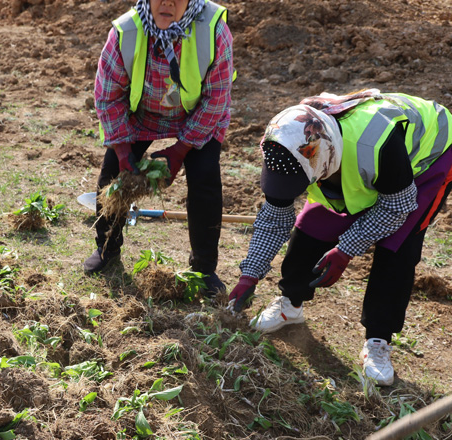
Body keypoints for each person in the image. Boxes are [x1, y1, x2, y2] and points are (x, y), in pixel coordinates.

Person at [228, 90, 452, 386]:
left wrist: (346, 249)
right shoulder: (290, 144)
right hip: (358, 163)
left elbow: (398, 206)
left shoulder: (374, 145)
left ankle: (378, 340)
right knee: (311, 226)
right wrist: (249, 275)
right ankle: (290, 304)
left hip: (426, 160)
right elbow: (274, 219)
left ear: (324, 162)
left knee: (397, 247)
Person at [84, 0, 234, 297]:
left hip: (198, 115)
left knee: (205, 179)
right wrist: (124, 151)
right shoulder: (126, 31)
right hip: (141, 115)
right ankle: (107, 248)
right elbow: (107, 96)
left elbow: (216, 97)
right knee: (112, 175)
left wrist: (180, 151)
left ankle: (204, 268)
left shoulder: (213, 28)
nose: (167, 2)